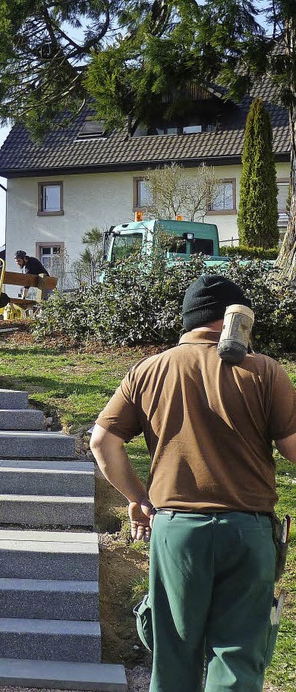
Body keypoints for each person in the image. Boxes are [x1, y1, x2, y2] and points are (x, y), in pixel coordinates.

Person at [89, 274, 296, 692]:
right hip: (248, 532)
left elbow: (102, 441)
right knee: (237, 661)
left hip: (175, 531)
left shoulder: (148, 370)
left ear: (189, 321)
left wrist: (138, 498)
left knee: (173, 659)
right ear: (235, 319)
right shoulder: (266, 371)